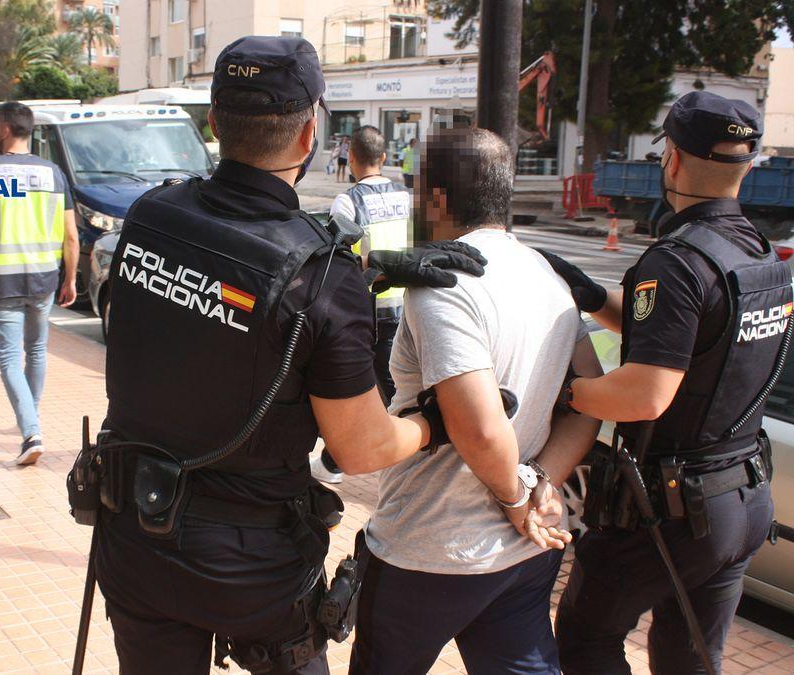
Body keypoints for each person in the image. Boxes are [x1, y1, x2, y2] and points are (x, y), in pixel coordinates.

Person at [91, 36, 487, 675]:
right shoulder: (322, 275)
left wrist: (366, 270)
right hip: (252, 565)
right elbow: (358, 448)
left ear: (214, 123)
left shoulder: (148, 215)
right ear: (309, 136)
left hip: (136, 532)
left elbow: (239, 280)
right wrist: (434, 424)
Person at [545, 91, 789, 674]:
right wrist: (591, 294)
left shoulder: (677, 260)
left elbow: (646, 391)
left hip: (673, 509)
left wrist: (565, 392)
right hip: (743, 499)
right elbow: (687, 336)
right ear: (746, 166)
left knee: (585, 637)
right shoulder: (756, 255)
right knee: (690, 658)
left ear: (672, 160)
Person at [348, 128, 603, 674]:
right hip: (522, 553)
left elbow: (480, 428)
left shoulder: (442, 280)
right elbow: (588, 399)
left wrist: (517, 498)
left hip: (430, 547)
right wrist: (542, 483)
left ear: (436, 199)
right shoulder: (548, 275)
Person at [0, 101, 78, 466]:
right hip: (43, 280)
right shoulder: (54, 173)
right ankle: (31, 416)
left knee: (10, 359)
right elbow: (72, 237)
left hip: (2, 282)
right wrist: (70, 278)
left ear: (4, 128)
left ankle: (31, 432)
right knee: (36, 351)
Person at [311, 125, 411, 486]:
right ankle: (335, 460)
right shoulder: (408, 196)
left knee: (375, 394)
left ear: (351, 158)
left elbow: (338, 261)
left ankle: (342, 462)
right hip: (411, 306)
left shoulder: (348, 202)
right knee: (400, 389)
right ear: (384, 158)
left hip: (372, 310)